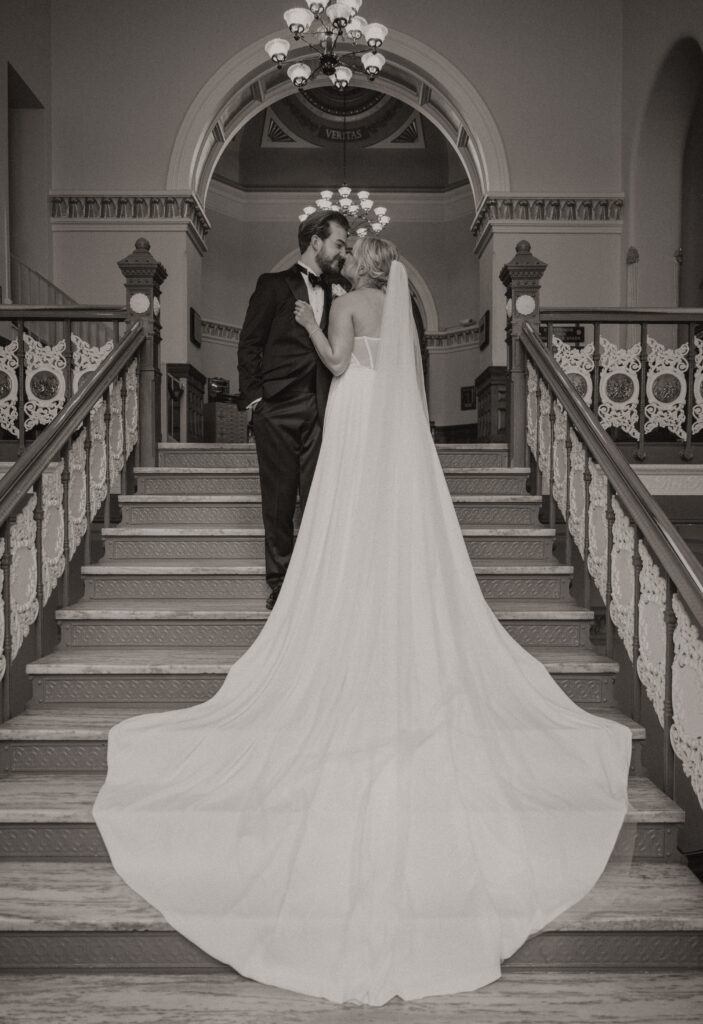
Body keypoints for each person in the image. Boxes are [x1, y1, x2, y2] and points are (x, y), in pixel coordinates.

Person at [93, 237, 632, 1007]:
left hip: (352, 417)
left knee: (339, 516)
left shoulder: (345, 303)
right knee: (389, 518)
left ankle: (338, 595)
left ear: (361, 266)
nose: (344, 259)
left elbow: (340, 364)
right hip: (391, 425)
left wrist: (312, 327)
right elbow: (391, 372)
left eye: (352, 253)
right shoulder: (398, 306)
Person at [237, 210, 349, 609]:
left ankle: (318, 580)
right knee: (279, 501)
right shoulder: (272, 285)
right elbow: (249, 344)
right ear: (315, 241)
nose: (343, 253)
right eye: (339, 244)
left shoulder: (342, 292)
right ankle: (280, 583)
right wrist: (256, 401)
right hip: (277, 407)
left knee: (320, 499)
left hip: (322, 407)